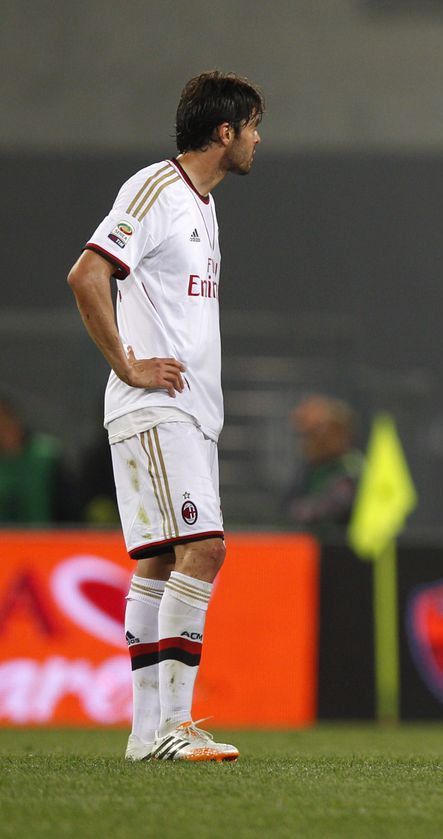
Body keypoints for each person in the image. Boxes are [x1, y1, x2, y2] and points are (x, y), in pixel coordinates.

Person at [67, 71, 264, 762]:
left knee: (156, 562)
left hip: (188, 413)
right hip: (156, 408)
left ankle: (147, 734)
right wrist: (127, 362)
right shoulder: (154, 188)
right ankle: (174, 723)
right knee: (204, 548)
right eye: (252, 126)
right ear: (223, 130)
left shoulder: (203, 205)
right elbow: (87, 273)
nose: (257, 139)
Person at [284, 395, 364, 535]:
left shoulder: (351, 468)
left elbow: (333, 507)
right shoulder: (311, 469)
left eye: (315, 433)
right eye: (306, 435)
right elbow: (288, 506)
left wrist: (305, 510)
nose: (308, 442)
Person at [0, 396, 72, 523]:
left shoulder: (47, 457)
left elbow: (69, 508)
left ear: (15, 420)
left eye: (5, 422)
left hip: (46, 539)